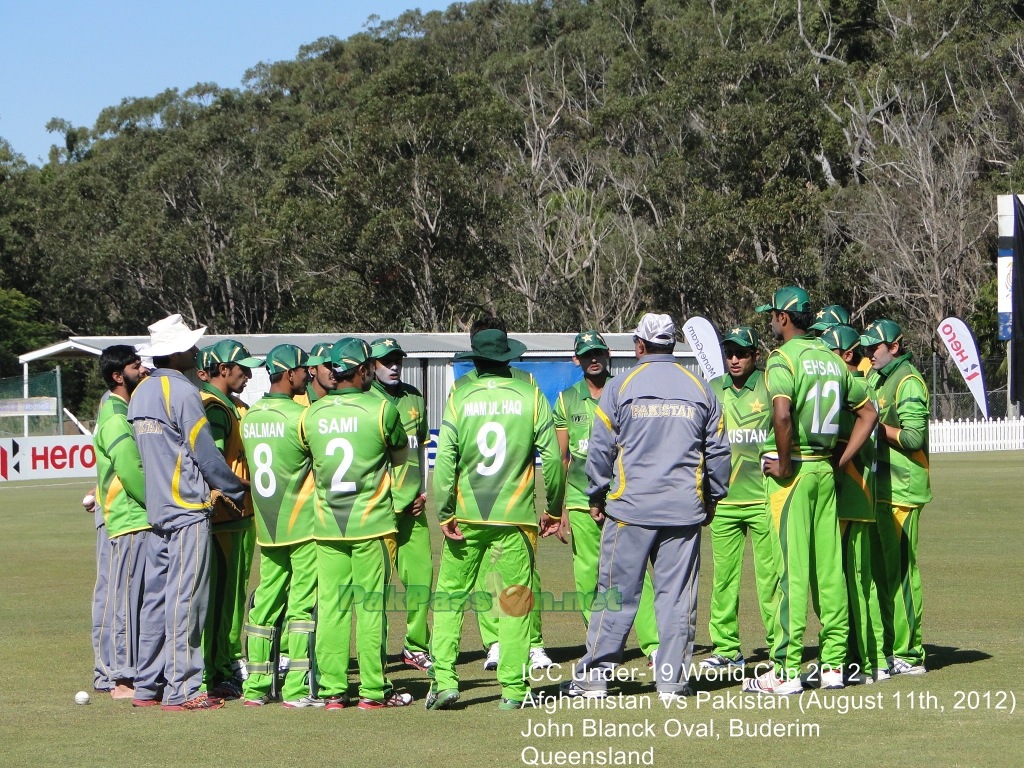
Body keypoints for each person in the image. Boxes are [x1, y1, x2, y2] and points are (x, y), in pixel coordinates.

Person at [565, 313, 730, 702]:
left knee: (614, 594)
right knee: (676, 598)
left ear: (639, 345)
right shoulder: (701, 389)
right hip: (683, 512)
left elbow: (601, 448)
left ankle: (595, 678)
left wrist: (596, 493)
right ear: (673, 345)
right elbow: (719, 453)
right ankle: (671, 682)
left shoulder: (621, 385)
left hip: (630, 511)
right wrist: (712, 496)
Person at [743, 288, 877, 695]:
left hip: (796, 473)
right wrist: (841, 459)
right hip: (823, 470)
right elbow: (869, 410)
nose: (770, 321)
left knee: (791, 570)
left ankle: (785, 671)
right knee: (829, 570)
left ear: (784, 319)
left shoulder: (783, 359)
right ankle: (834, 665)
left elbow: (782, 413)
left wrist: (784, 464)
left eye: (773, 315)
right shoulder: (832, 361)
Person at [427, 329, 565, 711]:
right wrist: (553, 510)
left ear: (475, 359)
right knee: (514, 603)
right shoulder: (530, 392)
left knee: (450, 600)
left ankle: (444, 682)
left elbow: (446, 460)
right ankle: (514, 690)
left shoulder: (460, 395)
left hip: (466, 518)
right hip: (515, 519)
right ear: (507, 358)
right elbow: (552, 460)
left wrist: (444, 511)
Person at [128, 314, 245, 710]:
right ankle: (183, 690)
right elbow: (206, 455)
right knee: (188, 600)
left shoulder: (141, 391)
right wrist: (234, 489)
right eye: (191, 347)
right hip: (188, 509)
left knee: (157, 599)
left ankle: (147, 685)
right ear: (175, 353)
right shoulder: (183, 392)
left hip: (158, 509)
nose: (197, 353)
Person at [301, 338, 414, 709]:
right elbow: (401, 457)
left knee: (331, 609)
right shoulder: (382, 409)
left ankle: (333, 690)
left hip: (327, 527)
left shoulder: (311, 414)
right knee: (370, 608)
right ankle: (373, 691)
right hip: (373, 525)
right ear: (364, 370)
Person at [553, 330, 659, 667]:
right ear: (576, 360)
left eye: (598, 352)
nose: (593, 359)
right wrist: (560, 510)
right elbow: (562, 457)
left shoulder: (626, 389)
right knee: (587, 576)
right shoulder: (566, 399)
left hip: (622, 496)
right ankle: (597, 643)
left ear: (609, 353)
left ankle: (654, 645)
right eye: (586, 355)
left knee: (634, 572)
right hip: (579, 499)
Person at [457, 316, 554, 672]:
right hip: (476, 499)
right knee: (486, 574)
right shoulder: (463, 386)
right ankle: (495, 642)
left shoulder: (526, 382)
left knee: (527, 576)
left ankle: (534, 642)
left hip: (516, 500)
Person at [239, 345, 320, 707]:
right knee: (301, 609)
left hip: (267, 526)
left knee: (265, 606)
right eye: (304, 369)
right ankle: (297, 689)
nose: (308, 375)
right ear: (289, 374)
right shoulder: (302, 416)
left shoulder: (250, 416)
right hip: (302, 525)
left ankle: (256, 688)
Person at [703, 326, 778, 671]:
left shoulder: (769, 384)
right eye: (730, 353)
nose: (734, 359)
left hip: (765, 500)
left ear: (755, 356)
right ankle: (727, 648)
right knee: (723, 580)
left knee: (771, 580)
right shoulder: (713, 389)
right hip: (723, 502)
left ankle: (780, 647)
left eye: (742, 353)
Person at [861, 319, 931, 676]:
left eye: (875, 347)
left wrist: (875, 427)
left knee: (901, 573)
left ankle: (910, 652)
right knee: (879, 574)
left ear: (895, 347)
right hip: (879, 490)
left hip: (903, 490)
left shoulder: (908, 380)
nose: (868, 353)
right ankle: (888, 647)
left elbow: (915, 438)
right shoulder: (876, 376)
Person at [820, 325, 889, 684]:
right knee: (844, 585)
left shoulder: (852, 387)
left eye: (827, 346)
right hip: (841, 500)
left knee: (857, 586)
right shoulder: (841, 385)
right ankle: (855, 658)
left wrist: (839, 460)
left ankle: (870, 661)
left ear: (847, 354)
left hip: (853, 498)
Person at [199, 339, 263, 699]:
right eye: (242, 368)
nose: (248, 374)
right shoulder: (216, 408)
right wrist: (258, 487)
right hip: (226, 515)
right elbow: (216, 466)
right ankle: (218, 668)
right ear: (223, 369)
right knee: (223, 599)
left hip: (235, 515)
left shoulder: (228, 404)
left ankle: (225, 661)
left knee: (231, 597)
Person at [368, 337, 434, 671]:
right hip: (378, 509)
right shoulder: (365, 398)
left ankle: (415, 646)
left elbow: (420, 448)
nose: (393, 366)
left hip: (413, 508)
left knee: (421, 579)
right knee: (375, 587)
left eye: (397, 360)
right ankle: (373, 653)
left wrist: (422, 492)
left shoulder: (414, 397)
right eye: (385, 361)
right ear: (371, 365)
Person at [93, 345, 150, 699]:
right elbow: (129, 470)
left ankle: (110, 674)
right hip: (127, 516)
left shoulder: (120, 408)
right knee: (124, 602)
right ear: (118, 376)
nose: (142, 369)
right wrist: (160, 504)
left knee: (118, 598)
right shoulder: (116, 415)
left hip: (126, 515)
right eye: (135, 365)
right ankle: (121, 678)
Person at [293, 342, 335, 406]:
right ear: (312, 369)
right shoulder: (296, 400)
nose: (334, 370)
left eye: (337, 365)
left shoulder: (343, 398)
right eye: (328, 365)